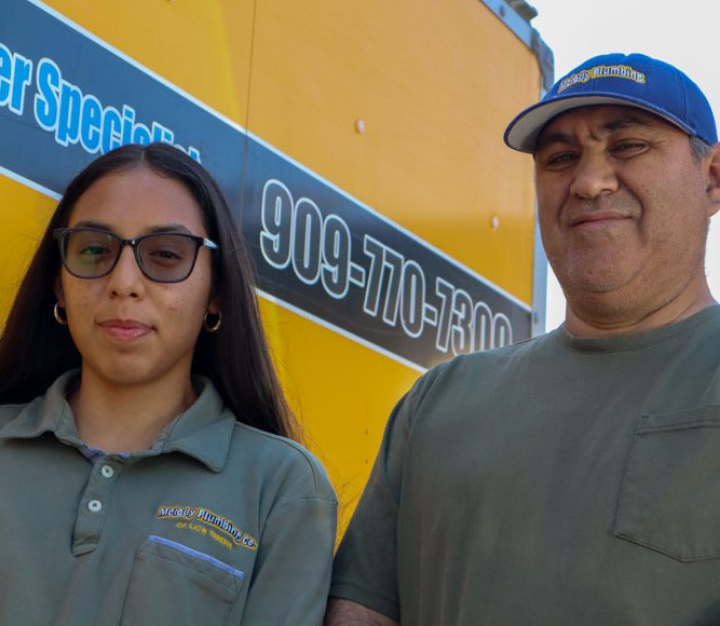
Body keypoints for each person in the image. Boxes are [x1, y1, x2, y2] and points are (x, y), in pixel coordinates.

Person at [325, 53, 720, 625]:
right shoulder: (438, 403)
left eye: (627, 146)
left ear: (711, 179)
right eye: (560, 158)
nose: (589, 182)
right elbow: (361, 611)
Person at [0, 142, 337, 626]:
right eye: (95, 249)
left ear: (216, 293)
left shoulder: (281, 488)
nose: (124, 281)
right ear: (59, 283)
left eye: (164, 255)